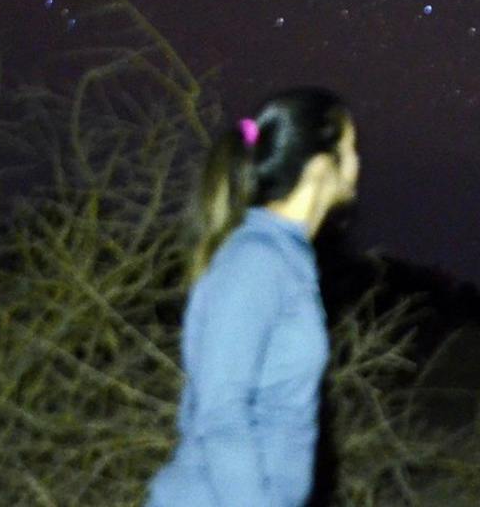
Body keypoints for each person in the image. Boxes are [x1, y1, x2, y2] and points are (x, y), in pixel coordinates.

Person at [147, 88, 360, 507]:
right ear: (321, 166)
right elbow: (221, 412)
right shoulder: (255, 260)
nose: (357, 163)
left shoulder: (286, 257)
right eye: (351, 148)